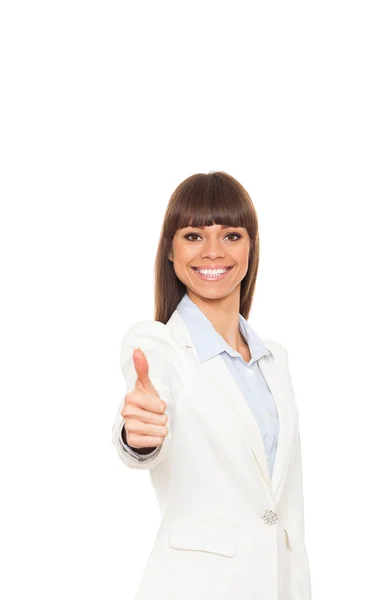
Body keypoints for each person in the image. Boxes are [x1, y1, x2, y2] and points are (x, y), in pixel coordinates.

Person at [112, 171, 312, 600]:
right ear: (170, 249)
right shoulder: (157, 344)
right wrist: (138, 435)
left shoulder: (274, 360)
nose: (214, 251)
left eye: (232, 235)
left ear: (251, 247)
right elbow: (147, 408)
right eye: (194, 236)